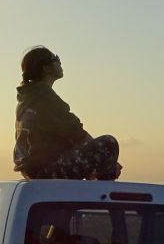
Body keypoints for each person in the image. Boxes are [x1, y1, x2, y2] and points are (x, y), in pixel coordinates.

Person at [12, 46, 121, 180]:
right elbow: (77, 134)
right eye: (56, 59)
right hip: (46, 172)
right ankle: (103, 192)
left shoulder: (27, 98)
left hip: (34, 172)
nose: (60, 62)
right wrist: (108, 161)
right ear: (46, 68)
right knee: (108, 143)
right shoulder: (44, 97)